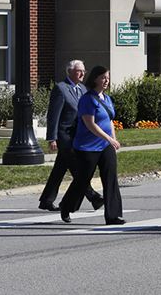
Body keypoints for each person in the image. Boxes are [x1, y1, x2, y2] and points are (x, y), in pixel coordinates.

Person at [58, 65, 125, 225]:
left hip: (105, 146)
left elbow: (109, 120)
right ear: (95, 79)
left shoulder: (107, 99)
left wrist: (113, 140)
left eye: (107, 78)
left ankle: (113, 216)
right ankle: (66, 205)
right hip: (88, 147)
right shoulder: (87, 99)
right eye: (103, 77)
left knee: (110, 179)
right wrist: (109, 139)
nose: (106, 81)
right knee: (82, 179)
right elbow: (90, 124)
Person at [38, 59, 104, 212]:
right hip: (64, 136)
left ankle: (46, 200)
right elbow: (53, 116)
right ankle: (93, 197)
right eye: (79, 71)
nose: (83, 73)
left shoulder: (82, 89)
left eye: (84, 70)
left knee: (60, 168)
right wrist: (52, 138)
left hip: (78, 135)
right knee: (77, 168)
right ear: (70, 72)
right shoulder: (61, 89)